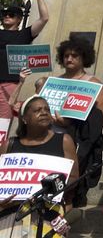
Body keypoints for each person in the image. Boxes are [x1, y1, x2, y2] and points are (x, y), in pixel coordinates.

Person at [0, 96, 78, 231]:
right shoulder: (9, 145)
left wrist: (48, 190)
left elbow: (74, 178)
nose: (44, 112)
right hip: (12, 214)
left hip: (49, 214)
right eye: (37, 110)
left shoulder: (64, 141)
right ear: (24, 119)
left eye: (47, 109)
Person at [53, 37, 103, 207]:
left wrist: (70, 122)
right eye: (66, 56)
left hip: (77, 144)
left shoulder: (93, 84)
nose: (69, 59)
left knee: (69, 189)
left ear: (84, 58)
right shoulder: (54, 82)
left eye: (74, 56)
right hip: (51, 141)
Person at [0, 0, 49, 120]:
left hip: (9, 85)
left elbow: (44, 18)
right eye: (4, 14)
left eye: (10, 14)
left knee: (2, 122)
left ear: (19, 19)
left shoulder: (23, 35)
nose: (6, 16)